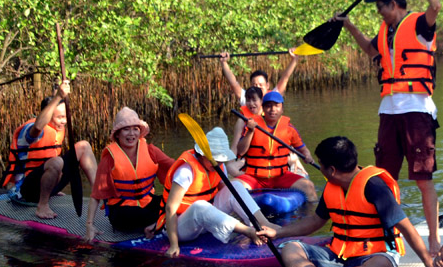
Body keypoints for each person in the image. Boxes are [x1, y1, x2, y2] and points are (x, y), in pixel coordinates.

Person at [338, 0, 442, 255]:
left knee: (423, 178)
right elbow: (372, 52)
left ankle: (434, 240)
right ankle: (386, 238)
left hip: (417, 110)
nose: (378, 12)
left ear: (393, 4)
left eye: (380, 7)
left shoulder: (420, 26)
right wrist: (348, 25)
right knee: (383, 178)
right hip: (389, 110)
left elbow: (435, 5)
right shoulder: (386, 32)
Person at [261, 136, 435, 267]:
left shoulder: (374, 187)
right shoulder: (332, 187)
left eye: (321, 164)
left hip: (373, 258)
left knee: (382, 265)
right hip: (338, 259)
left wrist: (430, 266)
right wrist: (278, 232)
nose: (320, 169)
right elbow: (315, 221)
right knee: (290, 249)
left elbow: (407, 228)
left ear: (332, 170)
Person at [161, 127, 276, 258]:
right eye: (214, 158)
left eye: (221, 159)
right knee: (200, 206)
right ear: (202, 154)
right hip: (181, 227)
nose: (218, 163)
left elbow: (227, 195)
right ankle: (248, 231)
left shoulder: (218, 166)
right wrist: (174, 245)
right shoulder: (185, 171)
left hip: (204, 221)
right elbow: (170, 208)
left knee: (235, 185)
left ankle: (263, 223)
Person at [2, 79, 97, 219]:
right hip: (26, 190)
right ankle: (42, 206)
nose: (64, 121)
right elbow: (38, 127)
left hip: (47, 182)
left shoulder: (57, 130)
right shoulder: (33, 130)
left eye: (65, 117)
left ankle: (99, 193)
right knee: (57, 162)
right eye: (59, 117)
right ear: (48, 116)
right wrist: (58, 96)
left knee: (84, 146)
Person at [85, 107, 175, 242]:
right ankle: (160, 224)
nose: (131, 134)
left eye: (135, 129)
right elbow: (96, 194)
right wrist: (89, 225)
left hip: (148, 203)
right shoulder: (109, 157)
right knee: (139, 214)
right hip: (122, 211)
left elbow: (175, 167)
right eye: (126, 129)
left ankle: (156, 224)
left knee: (174, 202)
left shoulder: (151, 150)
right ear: (117, 134)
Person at [234, 88, 317, 202]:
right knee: (233, 188)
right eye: (268, 106)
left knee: (309, 187)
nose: (272, 109)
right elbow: (240, 151)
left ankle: (313, 215)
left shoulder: (289, 129)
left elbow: (303, 149)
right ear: (263, 108)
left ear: (282, 109)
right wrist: (250, 131)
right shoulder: (251, 126)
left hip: (280, 176)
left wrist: (307, 155)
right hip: (255, 178)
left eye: (276, 105)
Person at [219, 49, 299, 104]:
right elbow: (233, 83)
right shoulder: (247, 99)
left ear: (267, 85)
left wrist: (294, 59)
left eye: (261, 85)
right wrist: (224, 63)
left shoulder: (273, 96)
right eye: (255, 85)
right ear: (251, 86)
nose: (258, 87)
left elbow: (285, 78)